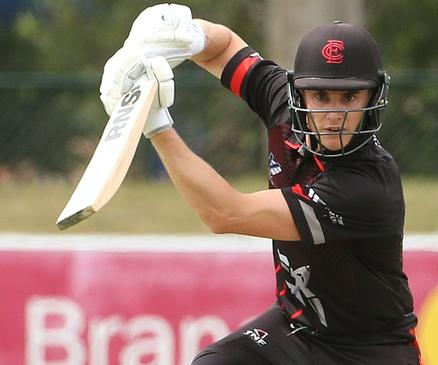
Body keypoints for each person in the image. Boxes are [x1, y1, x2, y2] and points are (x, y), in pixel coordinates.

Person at [100, 4, 420, 364]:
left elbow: (225, 214)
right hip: (296, 328)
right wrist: (185, 35)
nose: (333, 115)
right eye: (320, 96)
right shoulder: (282, 104)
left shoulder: (368, 188)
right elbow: (224, 48)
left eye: (349, 97)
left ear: (373, 97)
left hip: (370, 352)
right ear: (298, 93)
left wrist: (155, 123)